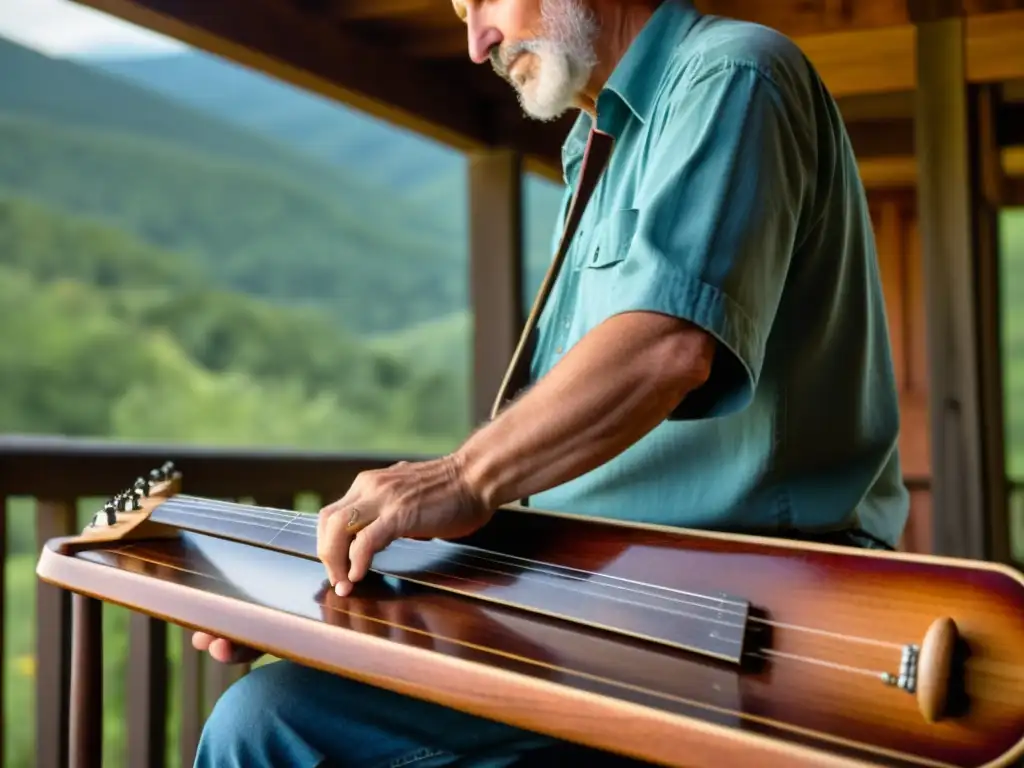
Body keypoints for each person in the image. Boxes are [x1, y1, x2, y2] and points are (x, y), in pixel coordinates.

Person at [191, 0, 909, 765]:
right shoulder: (596, 145)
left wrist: (466, 474)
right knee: (289, 691)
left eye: (483, 1)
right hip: (594, 606)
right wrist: (317, 606)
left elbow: (669, 345)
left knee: (270, 723)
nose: (477, 45)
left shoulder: (733, 71)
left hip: (743, 623)